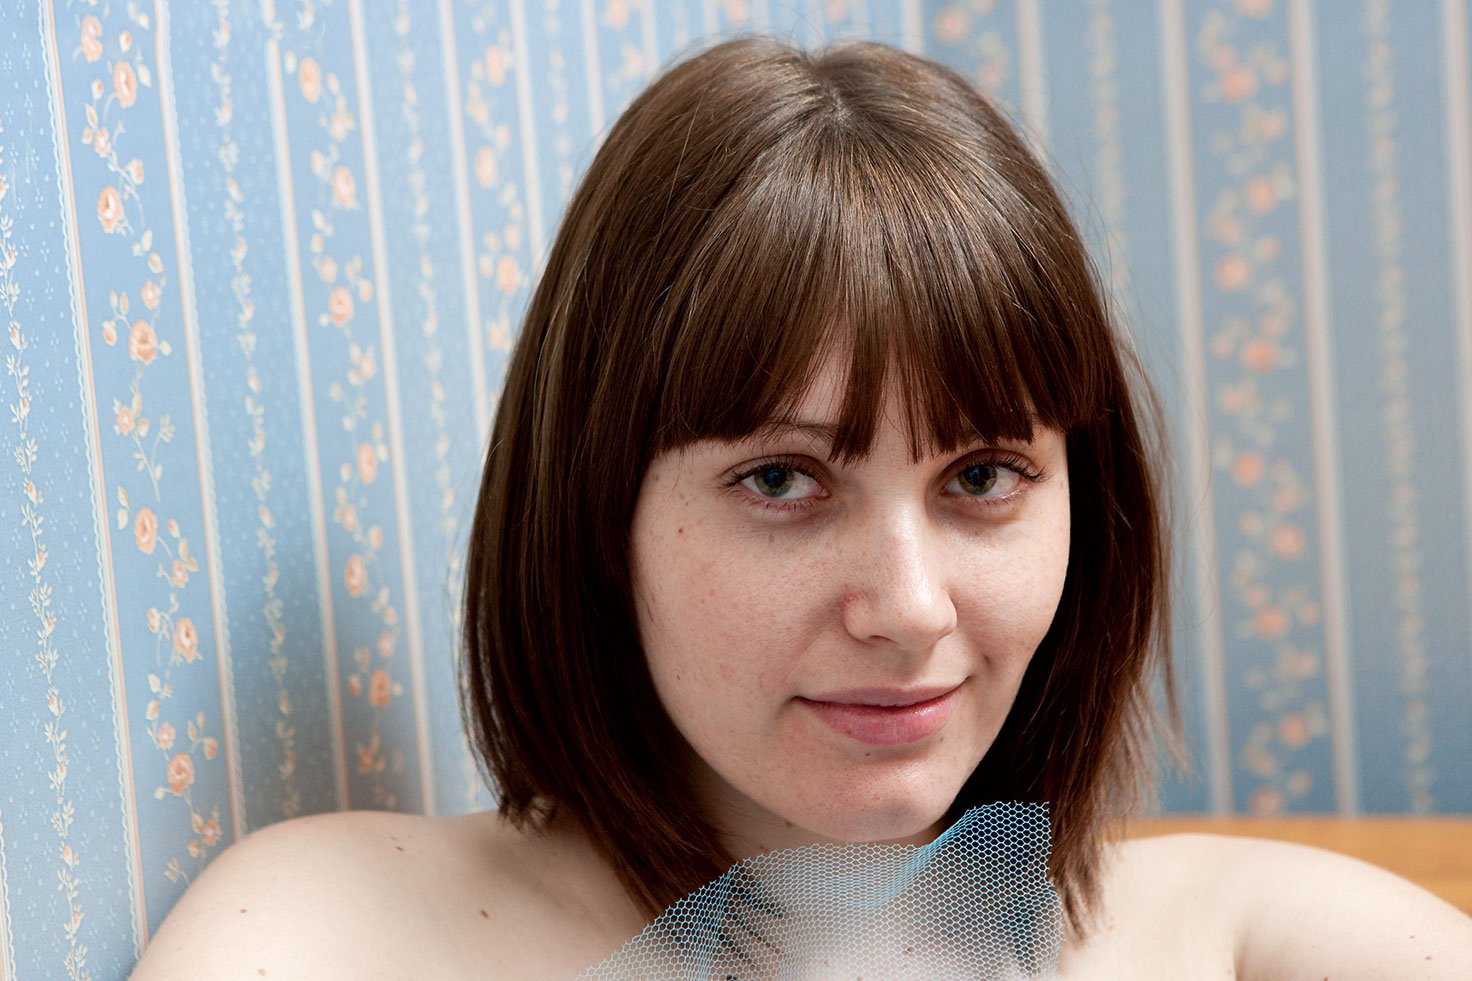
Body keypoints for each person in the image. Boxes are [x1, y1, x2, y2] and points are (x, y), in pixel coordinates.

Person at [133, 36, 1472, 979]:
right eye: (783, 480)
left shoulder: (1242, 940)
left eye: (981, 477)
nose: (909, 609)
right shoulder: (334, 930)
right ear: (599, 516)